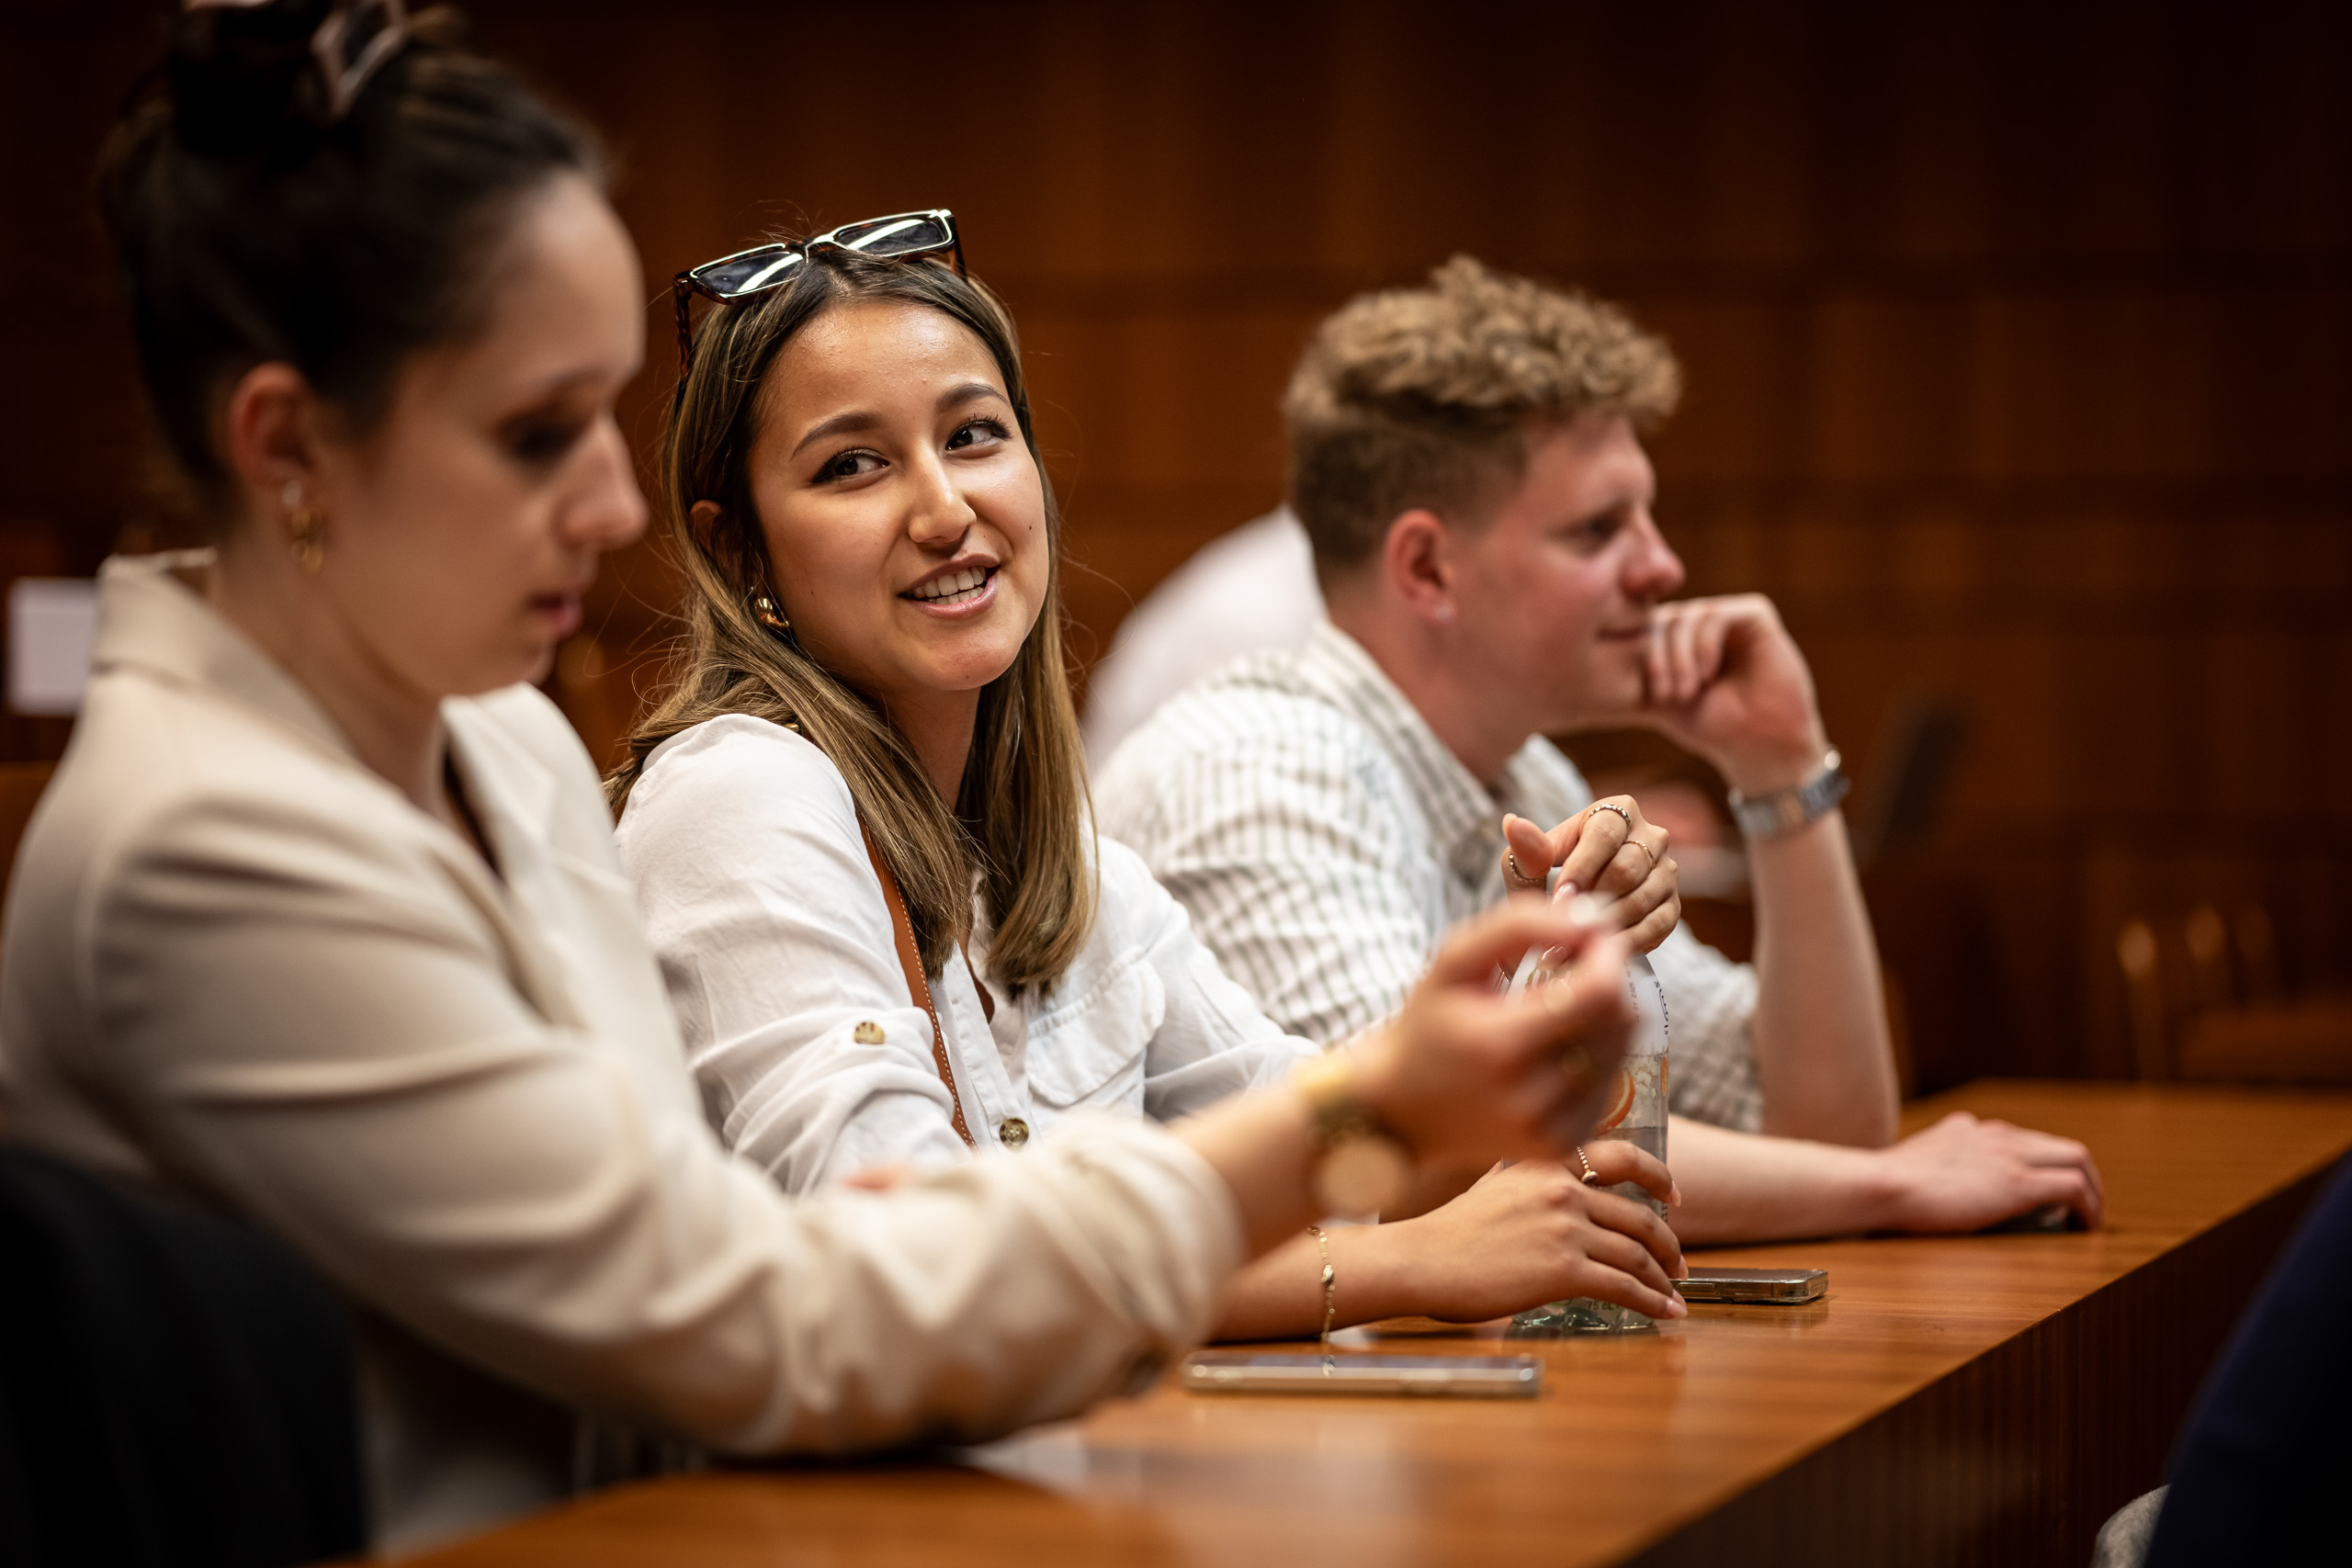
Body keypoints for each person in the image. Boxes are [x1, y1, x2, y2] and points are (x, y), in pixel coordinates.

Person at [0, 7, 1646, 1552]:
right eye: (536, 430)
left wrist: (1500, 1043)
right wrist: (1374, 1145)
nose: (612, 504)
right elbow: (777, 1317)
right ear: (287, 448)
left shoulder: (495, 735)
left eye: (977, 435)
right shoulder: (200, 842)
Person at [608, 219, 1687, 1342]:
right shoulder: (739, 794)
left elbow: (1344, 1168)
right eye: (852, 466)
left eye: (973, 436)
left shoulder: (1057, 864)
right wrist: (1398, 1263)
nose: (945, 510)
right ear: (739, 551)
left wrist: (1525, 986)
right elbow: (919, 1279)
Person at [1094, 257, 2105, 1244]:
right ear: (1428, 568)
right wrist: (1890, 1186)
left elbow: (1816, 1120)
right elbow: (1431, 1163)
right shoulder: (1253, 768)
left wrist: (1780, 769)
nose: (1662, 565)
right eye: (1597, 529)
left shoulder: (1524, 771)